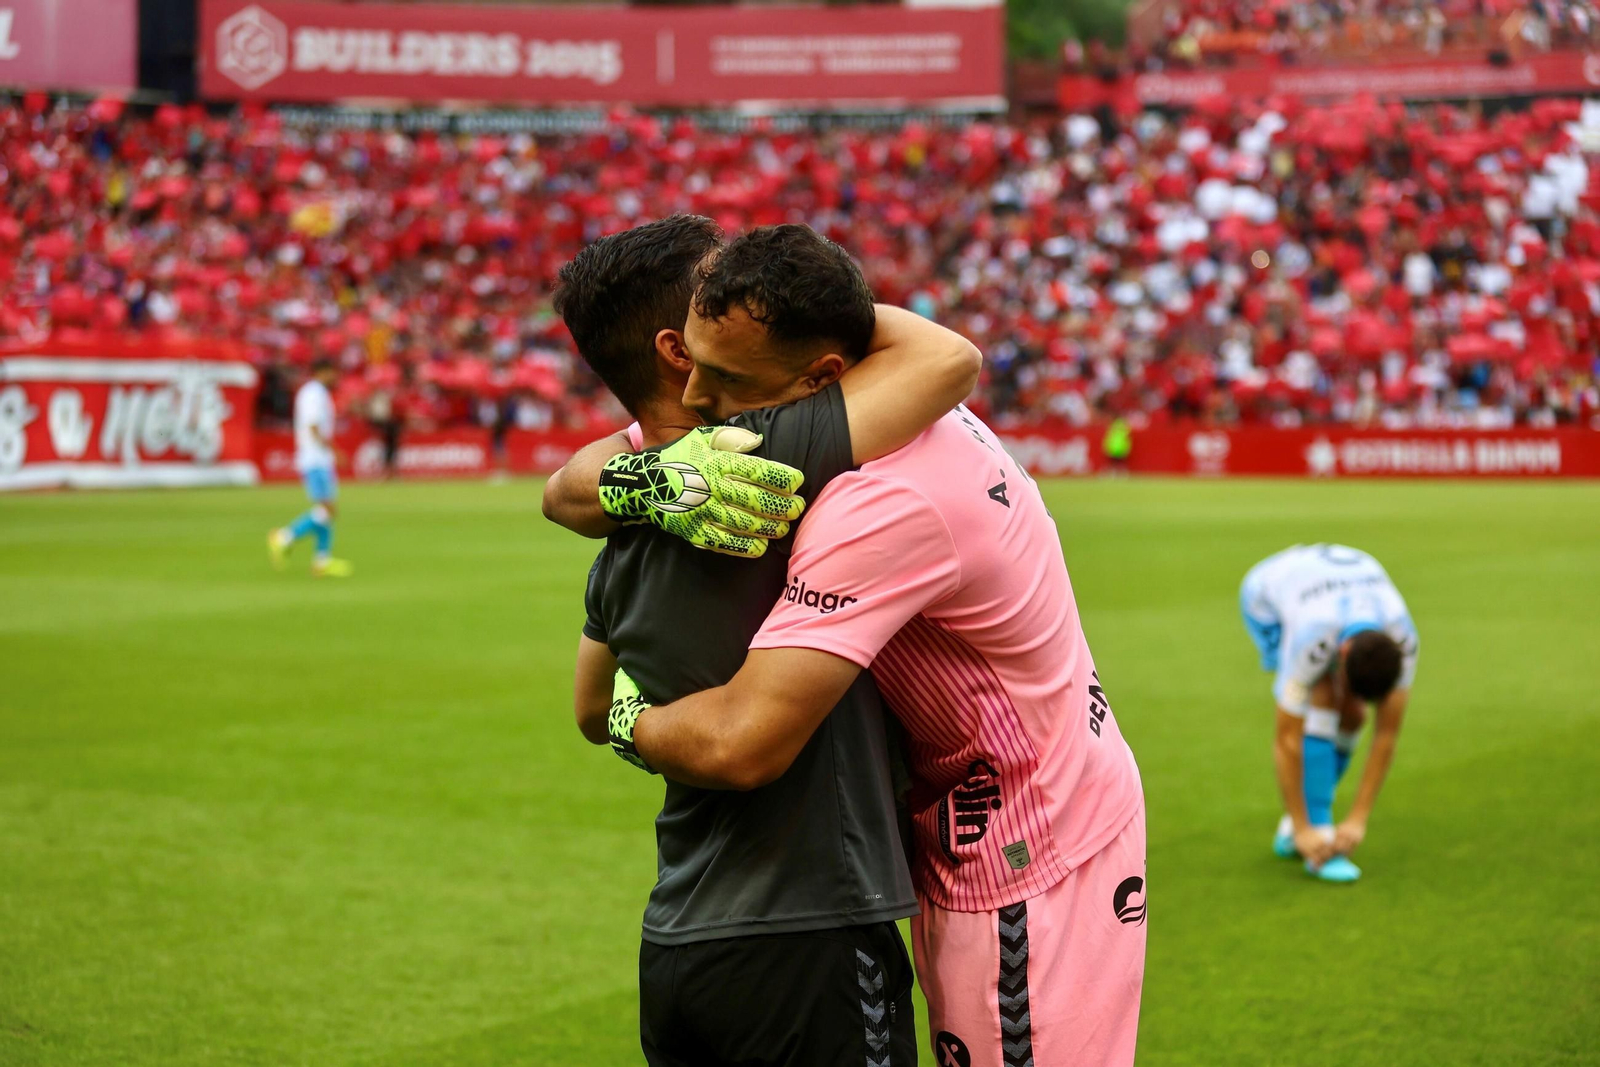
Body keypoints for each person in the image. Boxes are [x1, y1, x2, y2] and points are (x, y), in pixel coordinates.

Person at [600, 225, 1148, 1067]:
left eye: (729, 379)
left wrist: (626, 717)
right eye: (693, 365)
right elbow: (577, 482)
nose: (699, 400)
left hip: (1029, 846)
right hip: (973, 817)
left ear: (820, 378)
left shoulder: (882, 499)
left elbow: (746, 743)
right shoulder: (862, 406)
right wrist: (634, 481)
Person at [543, 215, 984, 1066]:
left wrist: (638, 721)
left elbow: (593, 705)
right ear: (685, 346)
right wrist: (821, 304)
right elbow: (949, 359)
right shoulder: (773, 454)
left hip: (678, 936)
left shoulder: (623, 524)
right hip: (807, 931)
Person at [1238, 543, 1419, 883]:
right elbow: (1287, 739)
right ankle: (1316, 832)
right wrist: (1305, 827)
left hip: (1329, 587)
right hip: (1265, 594)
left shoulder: (1404, 639)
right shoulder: (1311, 638)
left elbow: (1386, 734)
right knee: (1321, 693)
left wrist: (1358, 818)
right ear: (1343, 652)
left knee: (1354, 715)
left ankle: (1295, 824)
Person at [268, 359, 353, 578]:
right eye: (333, 372)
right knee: (327, 510)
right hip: (315, 458)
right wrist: (333, 450)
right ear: (323, 371)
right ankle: (284, 537)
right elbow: (313, 426)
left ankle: (321, 561)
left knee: (326, 510)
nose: (336, 377)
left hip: (318, 458)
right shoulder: (313, 394)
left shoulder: (316, 393)